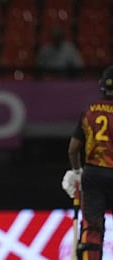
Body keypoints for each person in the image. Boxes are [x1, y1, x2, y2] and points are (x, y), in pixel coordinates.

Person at [62, 65, 113, 260]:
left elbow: (73, 149)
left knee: (92, 226)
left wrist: (77, 171)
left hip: (93, 175)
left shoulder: (90, 111)